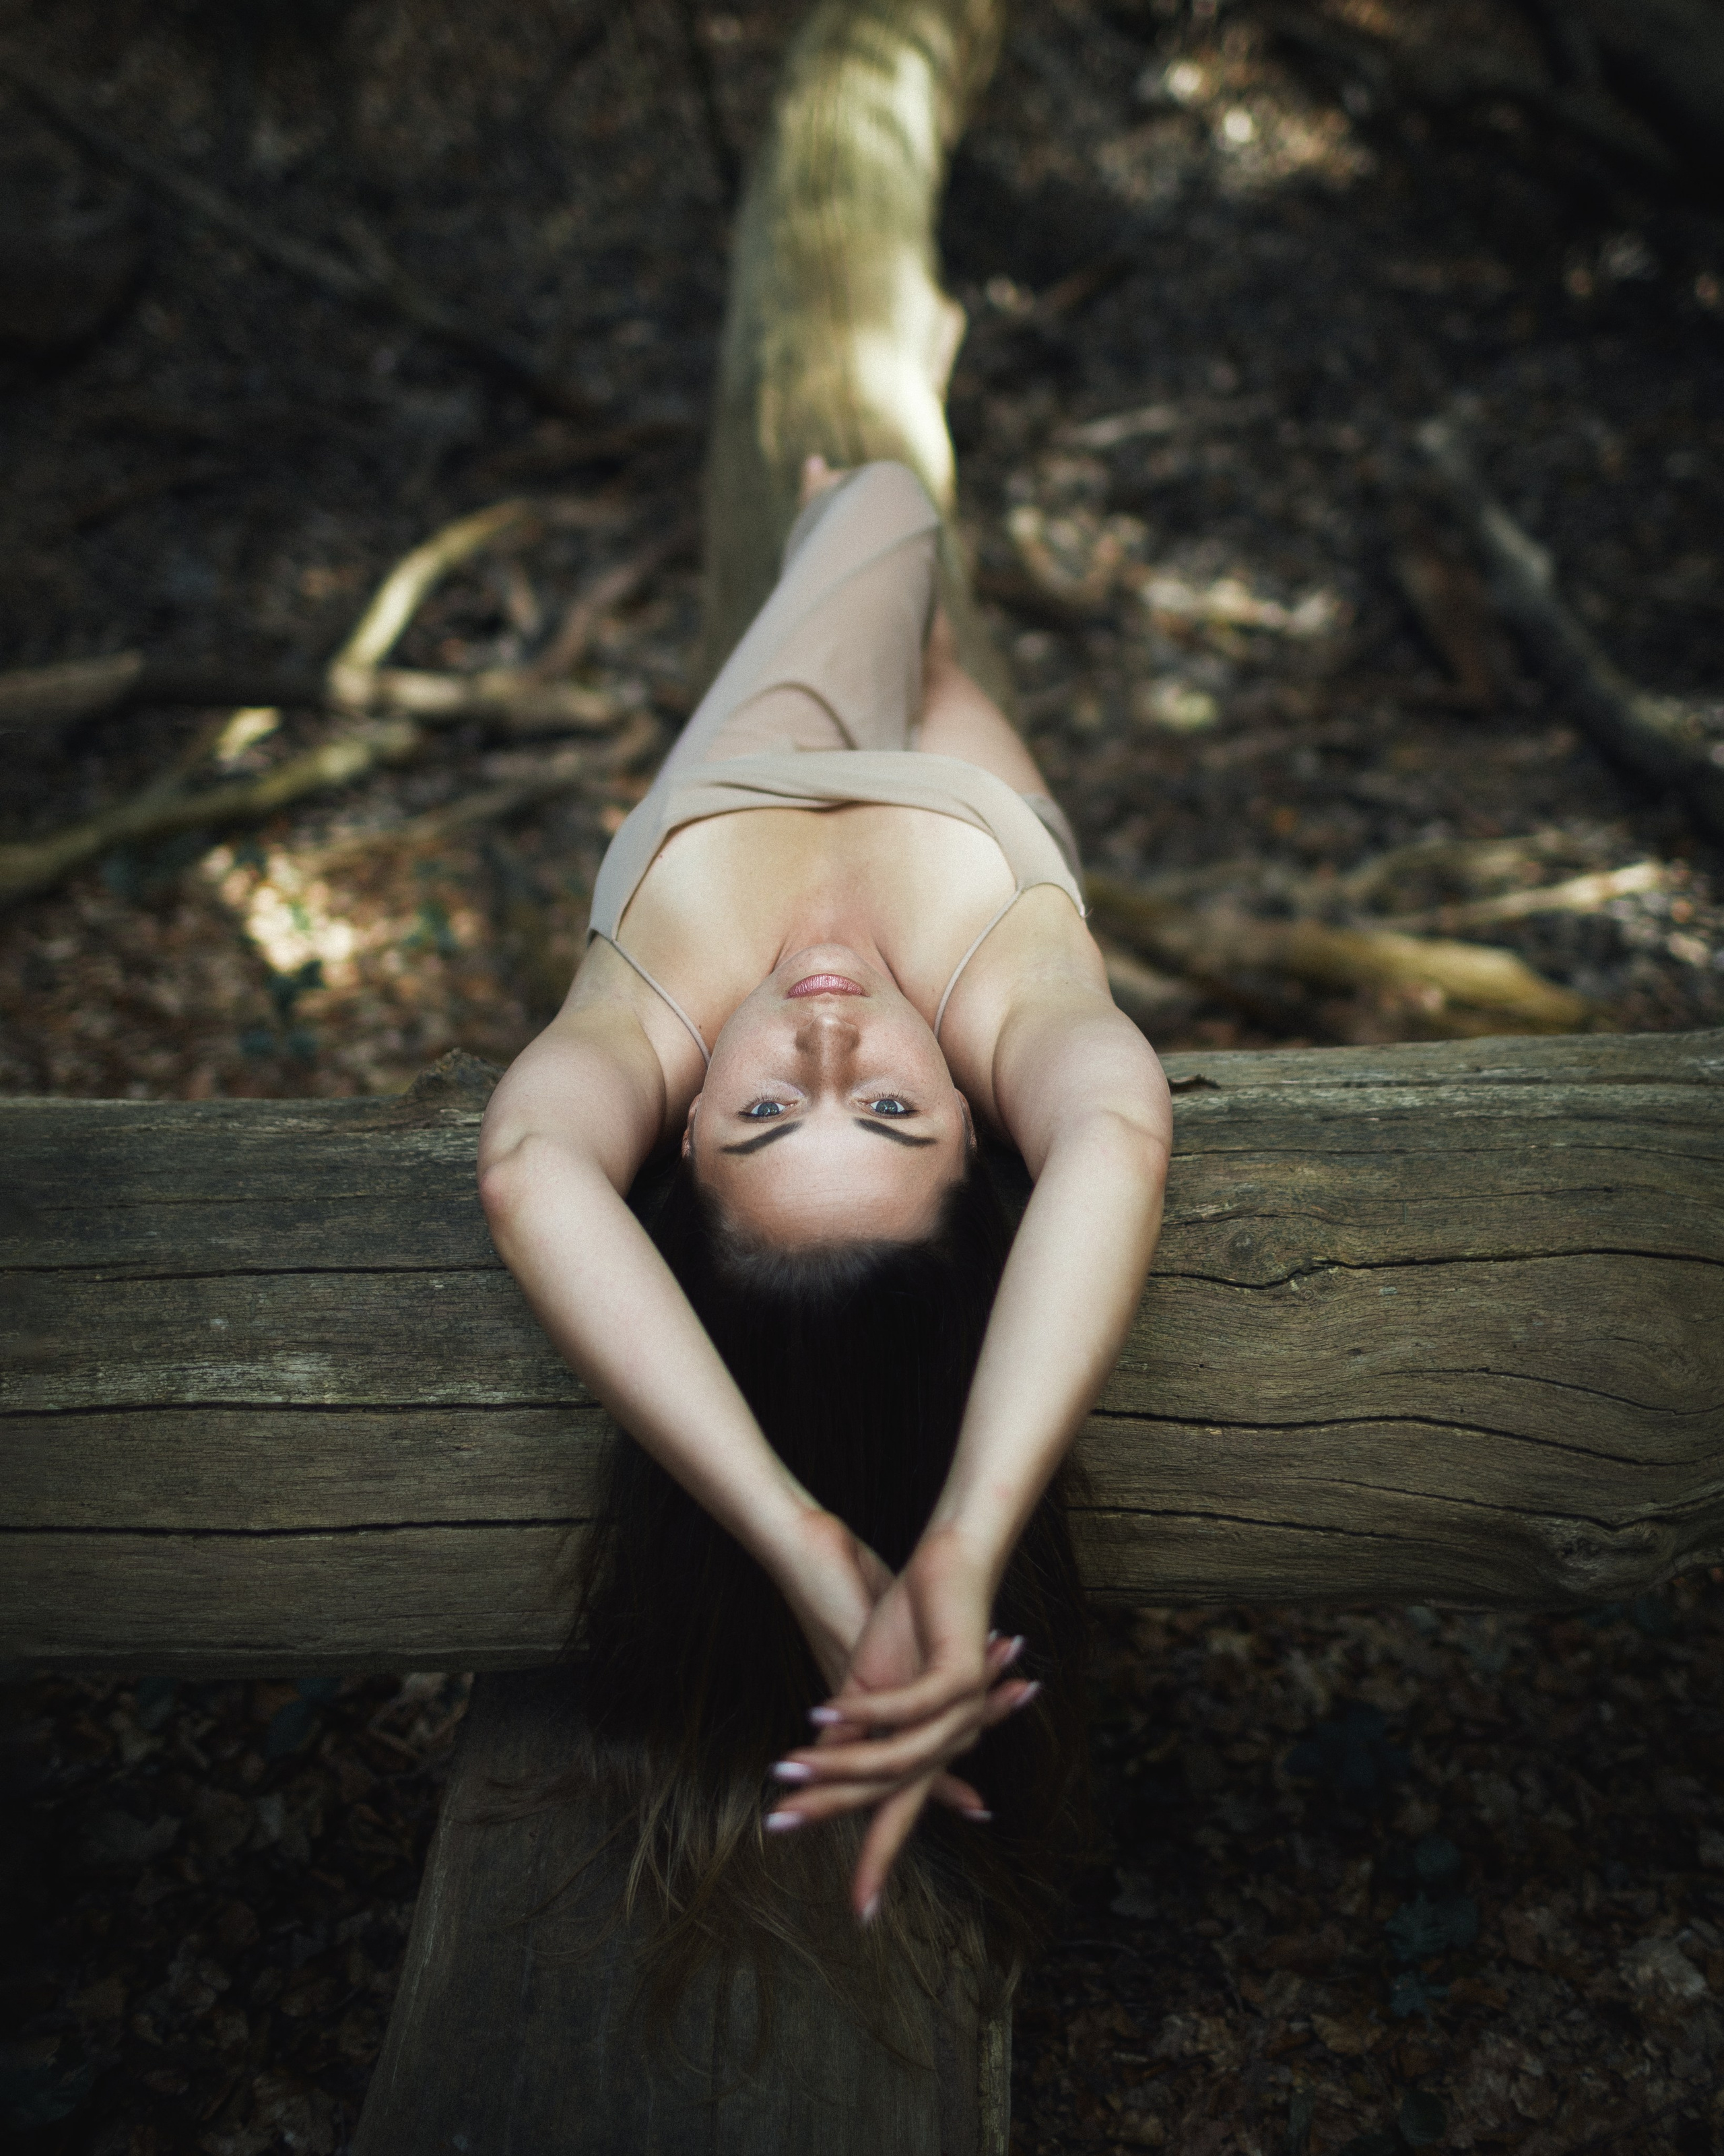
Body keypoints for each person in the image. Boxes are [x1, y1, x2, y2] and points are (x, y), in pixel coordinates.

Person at [477, 457, 1170, 1993]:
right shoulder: (1011, 990)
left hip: (752, 777)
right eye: (894, 1115)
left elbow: (529, 1169)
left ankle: (875, 603)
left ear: (670, 1133)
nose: (830, 1048)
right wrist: (965, 1534)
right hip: (990, 831)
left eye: (767, 1117)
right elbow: (1116, 1132)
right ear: (983, 1119)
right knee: (919, 598)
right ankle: (920, 654)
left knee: (862, 507)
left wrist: (797, 1534)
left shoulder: (652, 996)